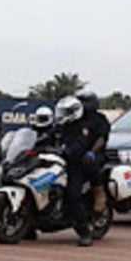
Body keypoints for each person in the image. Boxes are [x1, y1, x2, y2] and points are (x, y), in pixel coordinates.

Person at [56, 96, 94, 247]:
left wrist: (68, 151)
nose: (62, 114)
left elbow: (81, 145)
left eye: (66, 112)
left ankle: (84, 232)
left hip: (75, 166)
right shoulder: (60, 126)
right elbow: (50, 137)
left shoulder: (82, 127)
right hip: (58, 163)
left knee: (72, 195)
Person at [77, 90, 111, 213]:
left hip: (95, 154)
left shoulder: (100, 119)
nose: (81, 104)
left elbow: (101, 138)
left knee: (89, 163)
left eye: (84, 101)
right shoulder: (76, 118)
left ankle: (99, 192)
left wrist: (92, 151)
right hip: (76, 151)